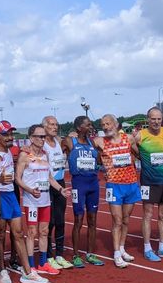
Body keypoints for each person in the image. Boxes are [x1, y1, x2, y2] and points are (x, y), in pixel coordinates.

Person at [0, 121, 48, 283]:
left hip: (11, 195)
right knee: (0, 234)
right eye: (5, 134)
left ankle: (28, 272)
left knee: (19, 233)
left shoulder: (10, 149)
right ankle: (1, 270)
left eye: (11, 134)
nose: (10, 137)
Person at [15, 124, 71, 275]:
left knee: (44, 231)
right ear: (31, 138)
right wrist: (30, 190)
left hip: (45, 200)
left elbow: (50, 177)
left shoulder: (45, 154)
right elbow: (18, 179)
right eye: (39, 136)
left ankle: (43, 263)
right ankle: (31, 265)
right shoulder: (24, 156)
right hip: (31, 201)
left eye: (43, 136)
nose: (42, 139)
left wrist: (60, 189)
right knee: (32, 232)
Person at [93, 114, 141, 268]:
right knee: (117, 220)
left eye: (108, 123)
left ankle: (122, 248)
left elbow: (139, 153)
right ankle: (115, 253)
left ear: (116, 124)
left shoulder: (129, 138)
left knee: (126, 219)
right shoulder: (99, 141)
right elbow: (82, 145)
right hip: (114, 185)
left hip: (131, 183)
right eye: (103, 124)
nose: (106, 127)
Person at [134, 107, 163, 262]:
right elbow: (130, 147)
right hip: (148, 182)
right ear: (148, 119)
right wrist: (141, 156)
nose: (156, 122)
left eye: (159, 119)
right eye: (153, 119)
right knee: (148, 214)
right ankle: (147, 248)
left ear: (162, 119)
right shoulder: (141, 135)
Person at [63, 116, 104, 268]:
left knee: (92, 220)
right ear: (79, 128)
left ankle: (90, 254)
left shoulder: (92, 142)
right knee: (78, 219)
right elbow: (53, 153)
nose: (91, 127)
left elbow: (98, 161)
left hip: (93, 183)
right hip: (78, 184)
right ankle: (75, 255)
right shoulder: (69, 141)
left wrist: (99, 151)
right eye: (88, 125)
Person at [42, 115, 73, 270]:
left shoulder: (60, 142)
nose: (55, 127)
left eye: (56, 124)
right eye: (51, 125)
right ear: (45, 127)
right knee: (50, 222)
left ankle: (59, 254)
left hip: (60, 183)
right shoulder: (42, 145)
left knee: (60, 220)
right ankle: (48, 256)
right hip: (47, 185)